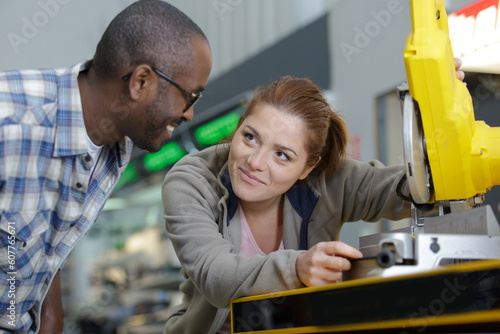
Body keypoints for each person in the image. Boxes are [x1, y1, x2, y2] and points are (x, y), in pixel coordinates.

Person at [0, 0, 212, 333]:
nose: (189, 114)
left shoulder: (114, 148)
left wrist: (50, 320)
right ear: (140, 81)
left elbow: (42, 243)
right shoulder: (11, 123)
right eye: (191, 96)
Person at [161, 75, 413, 334]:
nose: (256, 162)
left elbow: (409, 188)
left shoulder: (326, 180)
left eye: (281, 155)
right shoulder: (192, 181)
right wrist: (296, 268)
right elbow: (215, 276)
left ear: (308, 167)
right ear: (237, 128)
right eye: (250, 137)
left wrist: (441, 108)